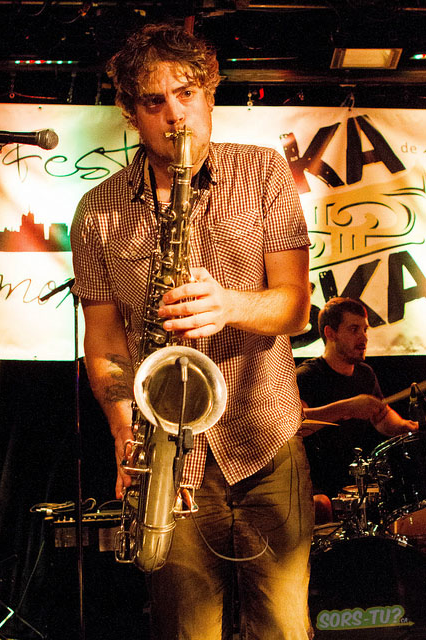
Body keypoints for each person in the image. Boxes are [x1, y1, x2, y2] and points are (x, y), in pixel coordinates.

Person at [70, 23, 314, 640]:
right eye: (154, 102)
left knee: (284, 629)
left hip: (265, 440)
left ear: (210, 94)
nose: (175, 115)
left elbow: (295, 308)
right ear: (132, 114)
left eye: (186, 94)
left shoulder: (264, 172)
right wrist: (125, 432)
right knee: (186, 631)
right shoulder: (96, 211)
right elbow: (104, 340)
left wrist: (228, 305)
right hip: (167, 454)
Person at [296, 297, 417, 512]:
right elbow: (297, 425)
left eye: (365, 329)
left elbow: (383, 418)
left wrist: (409, 427)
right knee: (322, 506)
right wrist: (348, 407)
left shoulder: (365, 374)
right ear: (330, 333)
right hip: (315, 487)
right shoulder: (307, 375)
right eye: (354, 329)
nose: (364, 337)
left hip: (355, 481)